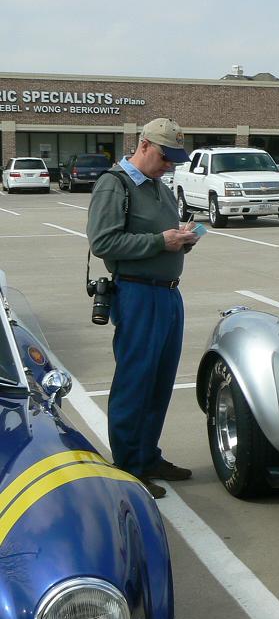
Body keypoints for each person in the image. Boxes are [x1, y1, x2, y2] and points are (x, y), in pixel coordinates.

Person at [87, 118, 199, 499]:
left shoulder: (156, 186)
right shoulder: (114, 184)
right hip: (137, 294)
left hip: (167, 293)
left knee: (160, 382)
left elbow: (159, 235)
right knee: (136, 382)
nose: (170, 165)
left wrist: (182, 239)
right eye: (166, 157)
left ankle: (147, 455)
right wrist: (158, 242)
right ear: (145, 145)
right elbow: (104, 242)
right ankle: (128, 467)